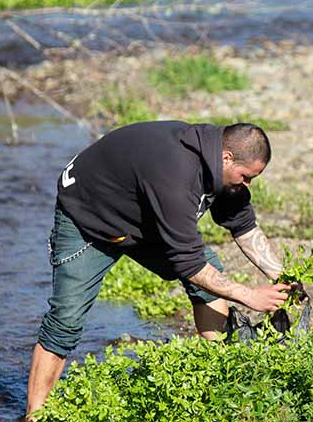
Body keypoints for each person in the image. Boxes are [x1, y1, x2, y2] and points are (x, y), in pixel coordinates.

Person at [25, 121, 291, 418]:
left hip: (144, 217)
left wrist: (283, 277)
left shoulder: (224, 172)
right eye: (246, 177)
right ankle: (35, 415)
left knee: (209, 281)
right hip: (89, 217)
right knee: (67, 319)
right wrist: (249, 296)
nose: (247, 184)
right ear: (227, 157)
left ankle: (216, 374)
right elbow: (188, 264)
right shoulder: (176, 172)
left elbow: (244, 226)